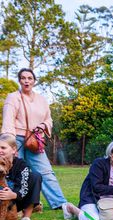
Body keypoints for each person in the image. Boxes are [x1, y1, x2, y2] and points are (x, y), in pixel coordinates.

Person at [1, 68, 66, 209]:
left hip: (35, 140)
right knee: (15, 172)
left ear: (34, 81)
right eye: (23, 78)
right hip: (16, 138)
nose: (26, 81)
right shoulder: (13, 97)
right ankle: (18, 204)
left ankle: (60, 203)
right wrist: (10, 145)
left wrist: (43, 125)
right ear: (19, 80)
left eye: (30, 78)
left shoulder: (42, 100)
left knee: (46, 171)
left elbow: (49, 119)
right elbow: (8, 120)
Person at [62, 140, 113, 220]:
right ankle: (71, 208)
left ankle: (96, 213)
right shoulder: (98, 163)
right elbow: (96, 187)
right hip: (92, 198)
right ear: (110, 152)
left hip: (110, 201)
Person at [0, 134, 42, 220]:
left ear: (14, 150)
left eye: (3, 147)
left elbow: (24, 186)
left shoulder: (21, 164)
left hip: (16, 201)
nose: (0, 150)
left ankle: (26, 218)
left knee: (36, 176)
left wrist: (14, 195)